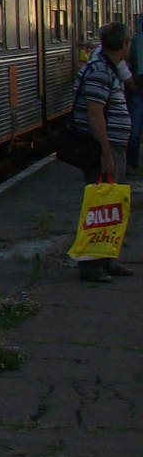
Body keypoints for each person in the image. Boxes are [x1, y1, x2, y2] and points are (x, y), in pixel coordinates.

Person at [71, 20, 136, 282]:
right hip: (104, 148)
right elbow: (95, 114)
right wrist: (106, 153)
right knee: (97, 210)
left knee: (111, 207)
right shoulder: (99, 70)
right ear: (125, 44)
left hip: (113, 147)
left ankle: (108, 260)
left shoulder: (108, 68)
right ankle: (91, 266)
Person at [128, 11, 143, 175]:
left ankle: (131, 162)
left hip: (138, 88)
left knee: (134, 129)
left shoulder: (134, 42)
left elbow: (128, 67)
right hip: (138, 89)